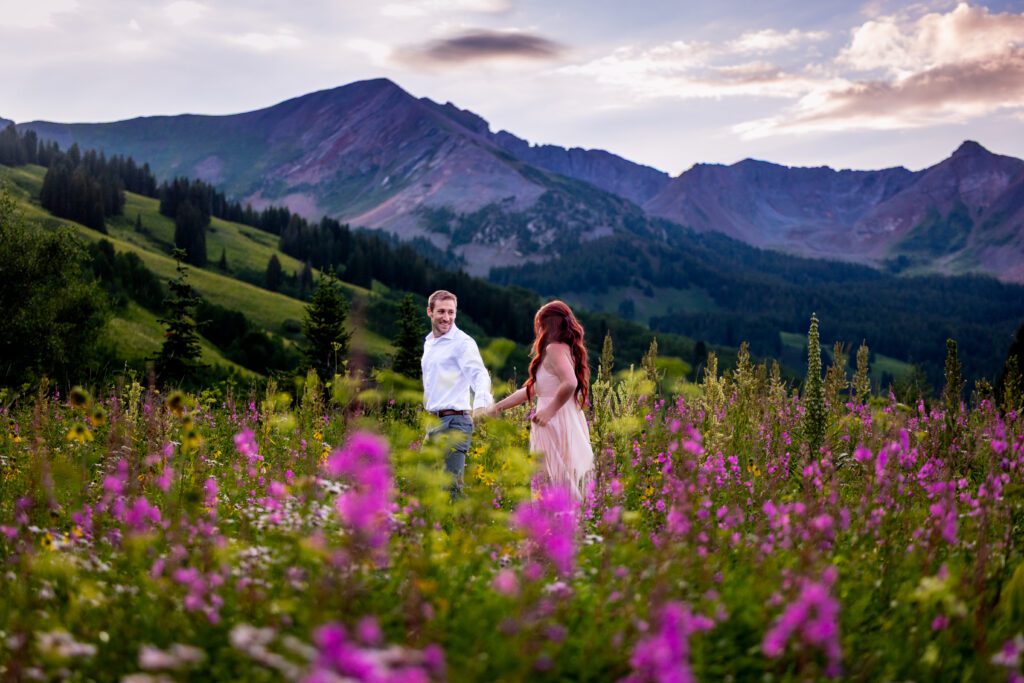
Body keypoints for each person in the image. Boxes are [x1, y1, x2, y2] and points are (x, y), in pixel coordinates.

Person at [488, 301, 594, 501]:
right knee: (560, 482)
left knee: (549, 484)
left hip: (552, 423)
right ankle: (572, 528)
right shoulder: (565, 349)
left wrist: (550, 410)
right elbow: (532, 390)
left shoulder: (554, 349)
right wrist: (498, 407)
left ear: (547, 325)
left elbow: (569, 382)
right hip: (563, 420)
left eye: (539, 325)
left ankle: (558, 529)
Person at [421, 289, 493, 497]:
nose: (447, 318)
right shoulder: (429, 343)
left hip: (455, 422)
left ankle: (460, 527)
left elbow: (480, 375)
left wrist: (481, 404)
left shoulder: (462, 343)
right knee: (423, 485)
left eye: (451, 312)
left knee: (451, 489)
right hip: (434, 422)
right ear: (430, 312)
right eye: (441, 312)